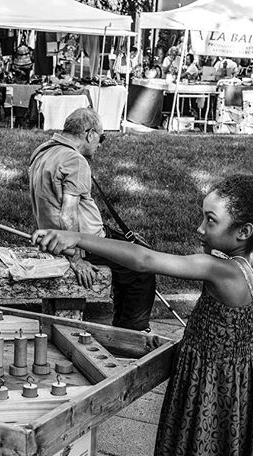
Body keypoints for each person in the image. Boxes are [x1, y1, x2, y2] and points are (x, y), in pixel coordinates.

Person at [32, 169, 253, 456]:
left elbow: (145, 259)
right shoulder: (245, 271)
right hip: (231, 386)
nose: (200, 228)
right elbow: (246, 339)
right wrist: (197, 342)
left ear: (243, 232)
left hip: (208, 389)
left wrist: (76, 238)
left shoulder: (221, 270)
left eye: (210, 220)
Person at [28, 108, 156, 331]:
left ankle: (123, 327)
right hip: (80, 244)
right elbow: (67, 214)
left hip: (55, 236)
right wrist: (76, 259)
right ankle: (130, 334)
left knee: (137, 246)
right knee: (140, 269)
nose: (100, 143)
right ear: (89, 134)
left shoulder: (43, 150)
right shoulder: (75, 160)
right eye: (101, 137)